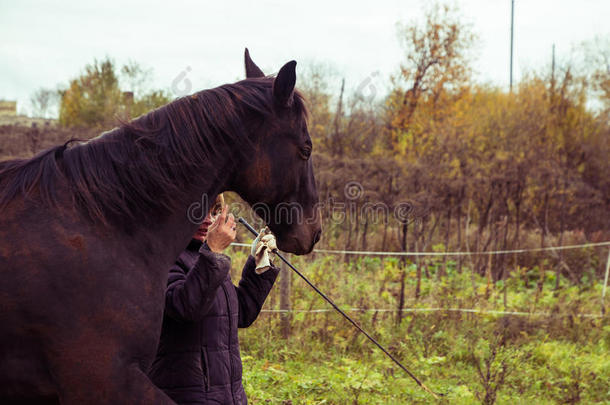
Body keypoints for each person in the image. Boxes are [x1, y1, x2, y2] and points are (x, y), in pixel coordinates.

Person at [149, 194, 279, 404]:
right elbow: (186, 308)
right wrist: (213, 251)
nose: (208, 220)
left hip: (229, 395)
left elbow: (240, 314)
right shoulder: (165, 257)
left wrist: (259, 264)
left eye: (214, 212)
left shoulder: (203, 258)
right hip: (185, 396)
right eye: (198, 212)